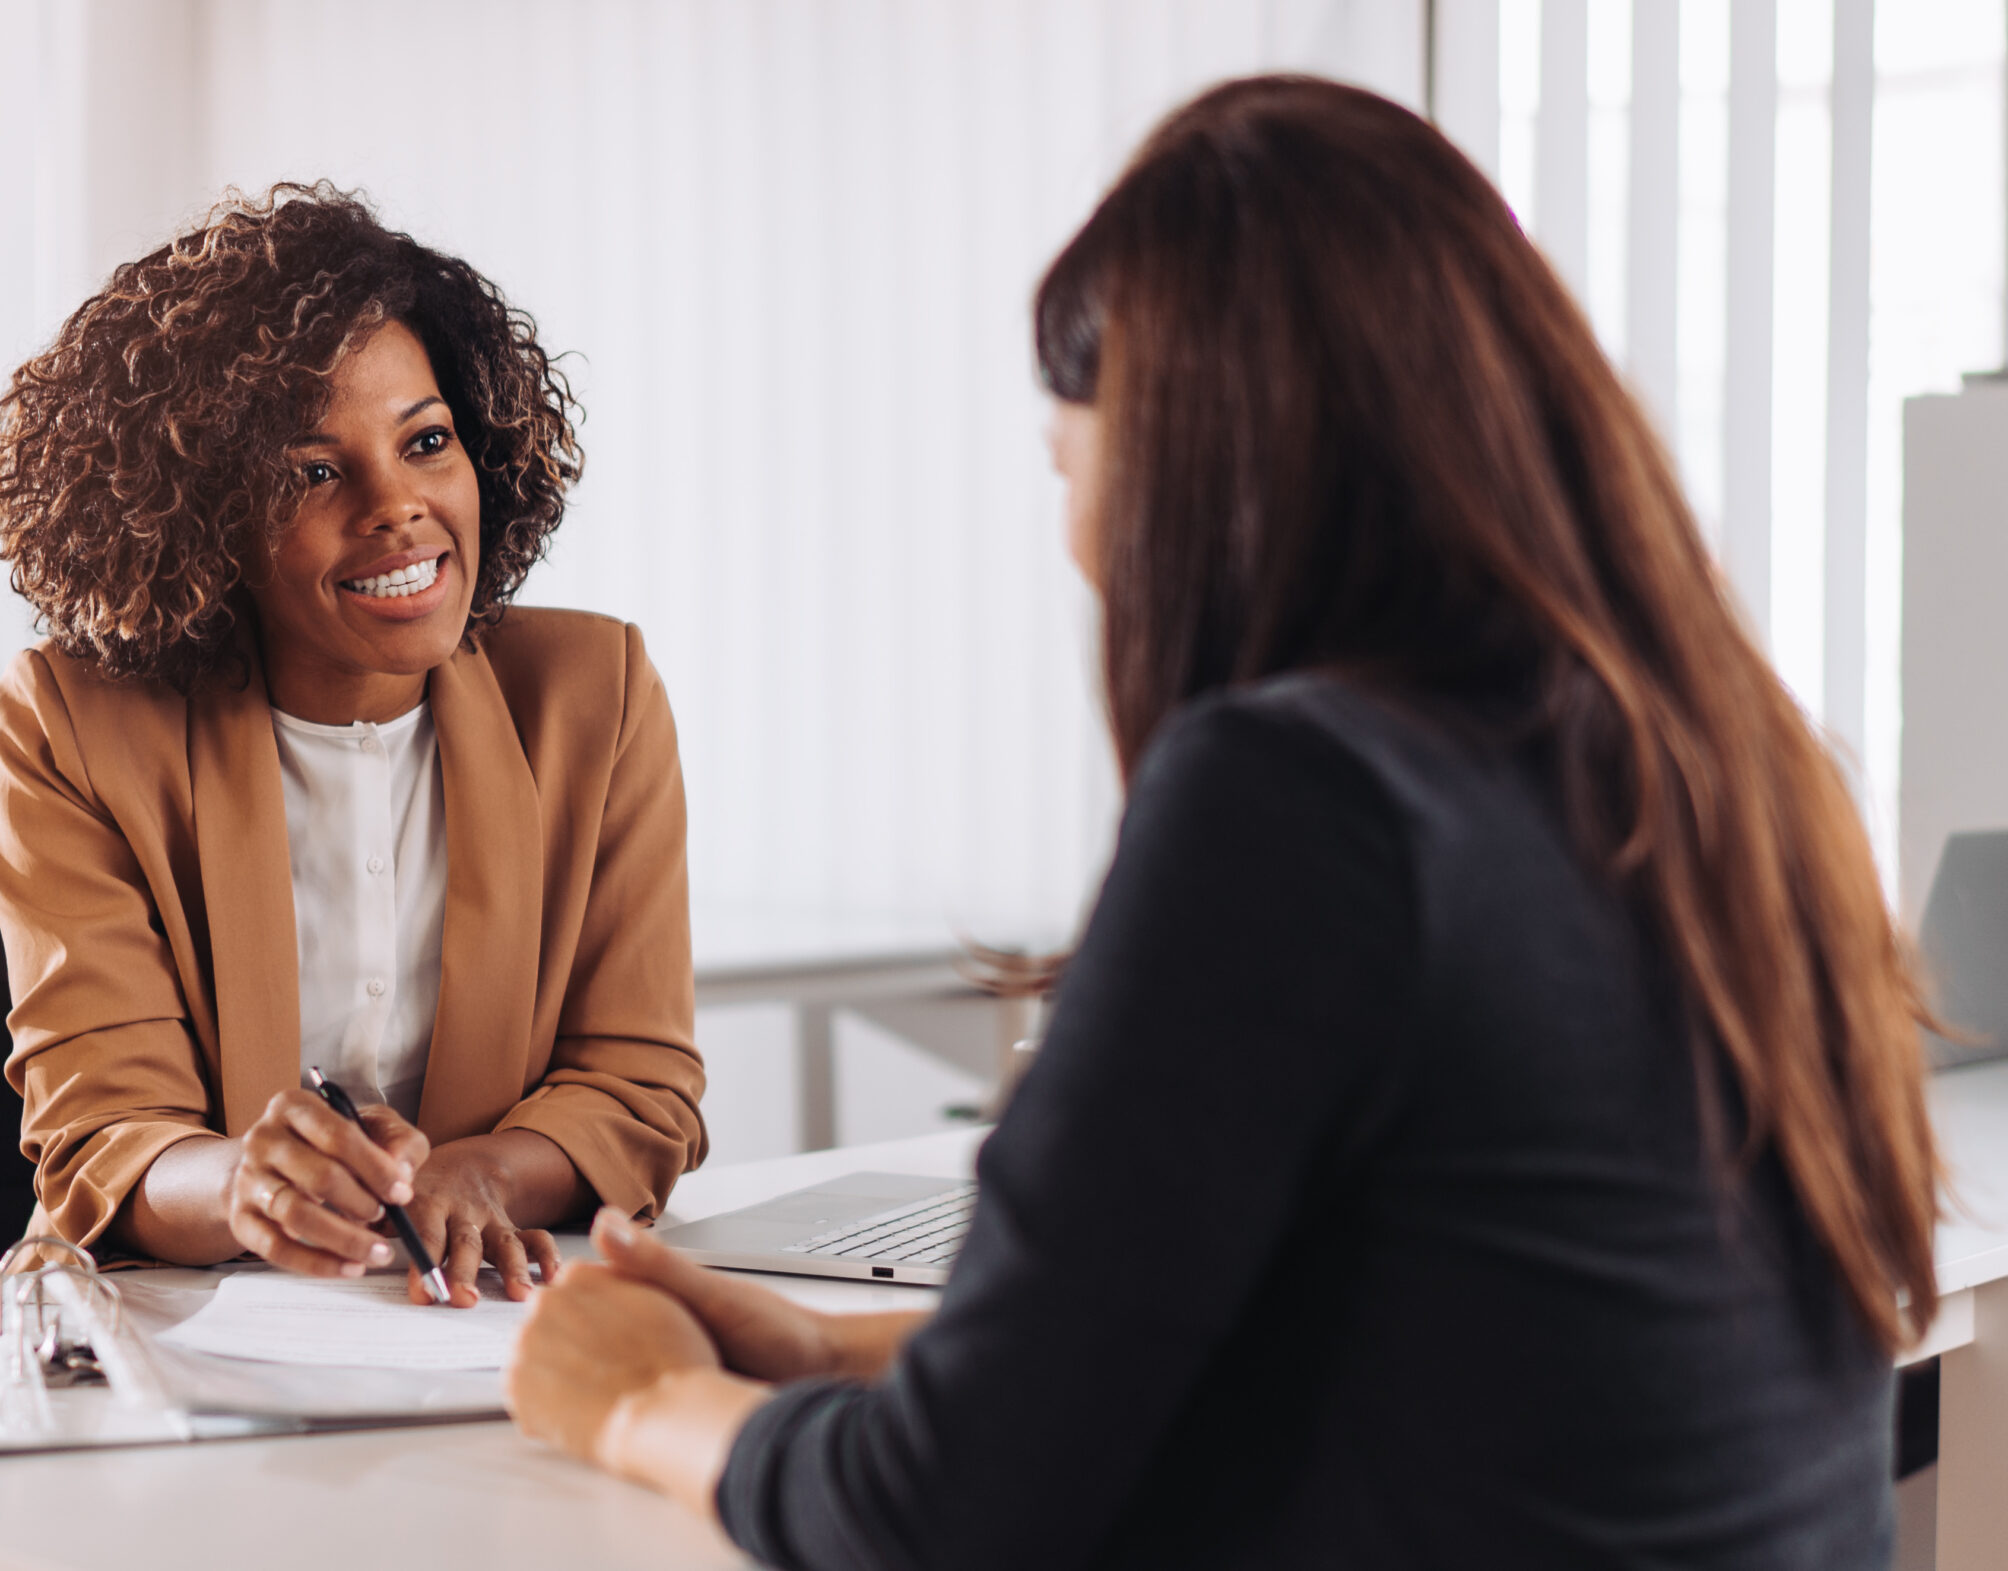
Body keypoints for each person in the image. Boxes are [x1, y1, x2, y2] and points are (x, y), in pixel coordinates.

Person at [505, 74, 1937, 1567]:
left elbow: (946, 1517)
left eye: (1070, 465)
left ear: (1193, 465)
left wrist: (641, 1399)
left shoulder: (1305, 802)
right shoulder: (1747, 775)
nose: (1078, 552)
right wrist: (820, 1348)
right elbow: (1400, 1349)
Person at [0, 184, 705, 1306]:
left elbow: (638, 1085)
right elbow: (105, 1131)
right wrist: (242, 1186)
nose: (398, 506)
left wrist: (480, 1175)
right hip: (177, 1335)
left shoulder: (591, 696)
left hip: (481, 1322)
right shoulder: (73, 722)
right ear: (204, 514)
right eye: (314, 471)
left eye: (426, 442)